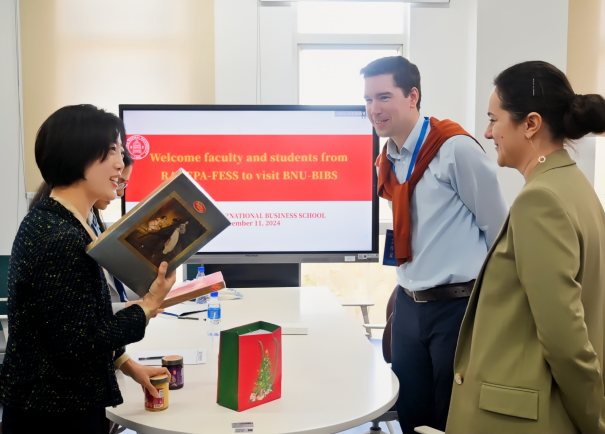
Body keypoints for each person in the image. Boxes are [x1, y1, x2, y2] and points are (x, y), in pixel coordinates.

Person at [446, 61, 605, 434]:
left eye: (493, 119)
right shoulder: (575, 186)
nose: (487, 132)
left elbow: (565, 338)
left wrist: (594, 420)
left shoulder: (540, 201)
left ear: (530, 124)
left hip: (522, 418)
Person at [0, 104, 176, 434]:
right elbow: (80, 342)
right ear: (77, 153)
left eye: (120, 151)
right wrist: (149, 305)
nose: (120, 163)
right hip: (53, 415)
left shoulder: (63, 220)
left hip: (53, 406)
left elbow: (75, 320)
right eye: (111, 150)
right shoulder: (60, 236)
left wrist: (126, 364)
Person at [361, 56, 508, 433]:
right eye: (368, 100)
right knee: (411, 413)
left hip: (456, 308)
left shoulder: (454, 148)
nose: (374, 109)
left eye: (384, 97)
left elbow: (499, 230)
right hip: (408, 307)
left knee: (452, 416)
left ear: (412, 96)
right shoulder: (387, 159)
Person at [28, 150, 138, 313]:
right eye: (117, 181)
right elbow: (75, 315)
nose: (120, 192)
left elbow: (107, 290)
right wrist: (140, 309)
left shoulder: (90, 220)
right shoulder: (61, 234)